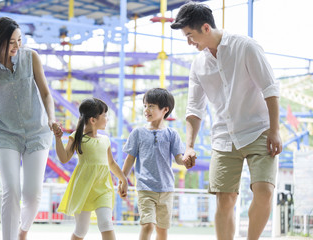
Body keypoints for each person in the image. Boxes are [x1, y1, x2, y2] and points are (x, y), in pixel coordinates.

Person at [170, 2, 282, 240]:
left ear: (206, 28)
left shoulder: (246, 47)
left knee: (264, 192)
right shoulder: (198, 64)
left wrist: (275, 130)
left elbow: (270, 89)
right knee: (225, 199)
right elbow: (194, 109)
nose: (189, 42)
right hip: (223, 136)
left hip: (258, 131)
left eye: (190, 35)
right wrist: (189, 145)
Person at [0, 17, 55, 240]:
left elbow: (46, 93)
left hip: (37, 132)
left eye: (20, 40)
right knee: (11, 191)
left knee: (33, 195)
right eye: (12, 42)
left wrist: (52, 119)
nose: (18, 46)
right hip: (6, 135)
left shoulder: (31, 57)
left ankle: (22, 230)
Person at [119, 88, 194, 240]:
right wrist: (123, 180)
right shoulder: (138, 133)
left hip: (166, 189)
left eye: (151, 106)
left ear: (165, 110)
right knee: (148, 225)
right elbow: (130, 159)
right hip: (145, 188)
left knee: (162, 231)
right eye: (145, 105)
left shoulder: (171, 134)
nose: (146, 110)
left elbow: (178, 158)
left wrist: (186, 160)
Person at [52, 98, 128, 240]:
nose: (107, 119)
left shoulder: (105, 139)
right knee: (81, 230)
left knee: (106, 222)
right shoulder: (77, 137)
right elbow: (64, 158)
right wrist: (57, 139)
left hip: (103, 189)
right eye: (105, 115)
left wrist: (123, 179)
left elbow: (111, 163)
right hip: (83, 189)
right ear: (93, 120)